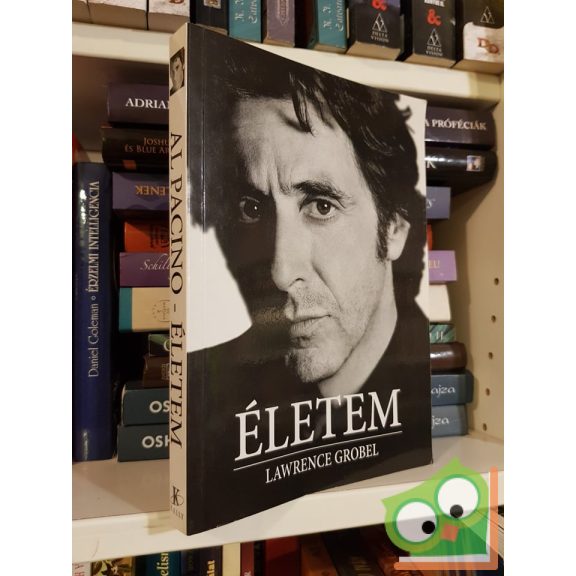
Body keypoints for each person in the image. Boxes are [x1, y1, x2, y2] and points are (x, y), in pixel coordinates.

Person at [184, 37, 431, 530]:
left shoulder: (425, 399)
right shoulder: (200, 393)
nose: (280, 271)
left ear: (394, 229)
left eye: (321, 205)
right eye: (251, 208)